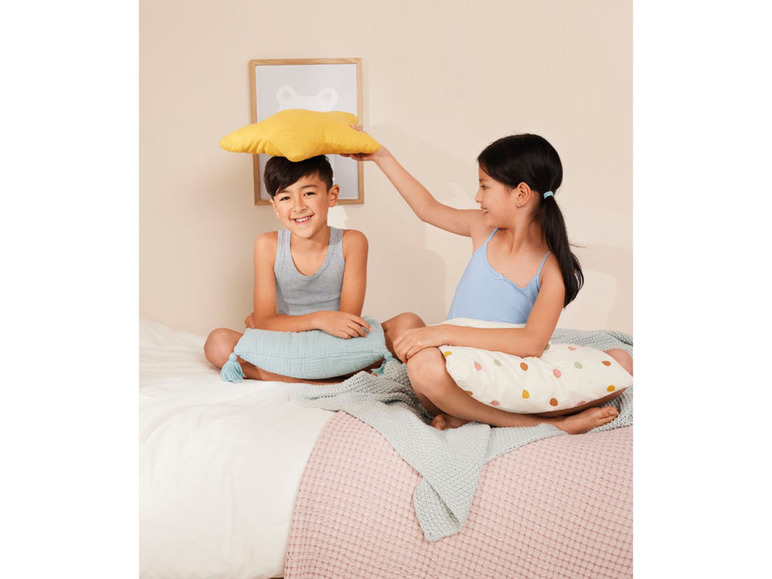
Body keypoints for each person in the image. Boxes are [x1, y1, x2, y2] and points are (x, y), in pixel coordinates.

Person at [347, 133, 633, 434]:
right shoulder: (482, 228)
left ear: (520, 194)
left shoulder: (550, 269)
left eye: (485, 186)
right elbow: (427, 208)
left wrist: (441, 331)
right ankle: (471, 413)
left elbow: (531, 344)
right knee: (412, 338)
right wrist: (381, 156)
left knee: (621, 361)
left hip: (506, 374)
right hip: (458, 364)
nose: (477, 196)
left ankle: (542, 423)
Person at [204, 155, 372, 384]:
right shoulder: (267, 245)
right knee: (218, 342)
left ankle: (286, 375)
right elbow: (265, 322)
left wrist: (272, 322)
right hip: (284, 344)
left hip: (335, 346)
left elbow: (347, 323)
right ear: (275, 206)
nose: (298, 207)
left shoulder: (352, 241)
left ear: (332, 195)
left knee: (406, 324)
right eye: (285, 197)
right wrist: (320, 319)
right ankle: (321, 380)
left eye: (309, 193)